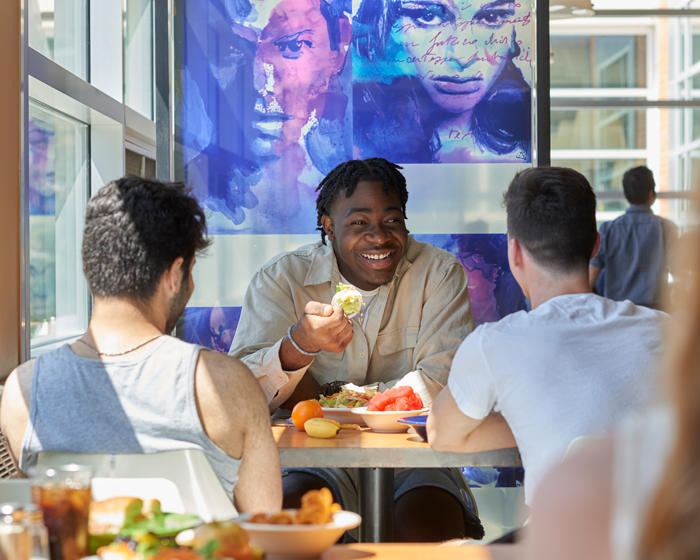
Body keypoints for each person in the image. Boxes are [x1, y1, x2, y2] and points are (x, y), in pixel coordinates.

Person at [229, 157, 482, 540]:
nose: (379, 237)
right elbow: (239, 395)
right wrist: (299, 345)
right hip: (311, 459)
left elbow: (443, 378)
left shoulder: (438, 272)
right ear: (329, 226)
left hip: (415, 458)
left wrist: (326, 395)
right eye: (358, 223)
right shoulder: (282, 279)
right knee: (298, 525)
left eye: (392, 221)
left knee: (429, 527)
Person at [0, 176, 282, 514]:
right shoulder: (224, 384)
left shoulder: (23, 391)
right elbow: (267, 529)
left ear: (91, 267)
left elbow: (35, 520)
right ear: (176, 273)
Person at [427, 167, 667, 516]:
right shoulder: (669, 332)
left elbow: (442, 434)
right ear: (595, 244)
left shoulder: (493, 345)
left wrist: (535, 418)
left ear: (515, 254)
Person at [522, 213, 699, 560]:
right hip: (654, 319)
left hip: (620, 315)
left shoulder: (596, 476)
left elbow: (593, 275)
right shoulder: (668, 230)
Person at [181, 0, 352, 234]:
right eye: (234, 48)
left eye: (294, 45)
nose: (263, 82)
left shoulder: (353, 174)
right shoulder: (199, 183)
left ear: (337, 53)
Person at [352, 0, 532, 163]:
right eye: (428, 16)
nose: (462, 57)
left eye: (491, 17)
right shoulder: (354, 145)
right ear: (387, 24)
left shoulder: (525, 145)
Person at [589, 165, 677, 310]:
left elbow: (590, 279)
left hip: (617, 313)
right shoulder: (667, 228)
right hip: (656, 313)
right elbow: (678, 271)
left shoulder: (608, 230)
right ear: (651, 194)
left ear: (626, 194)